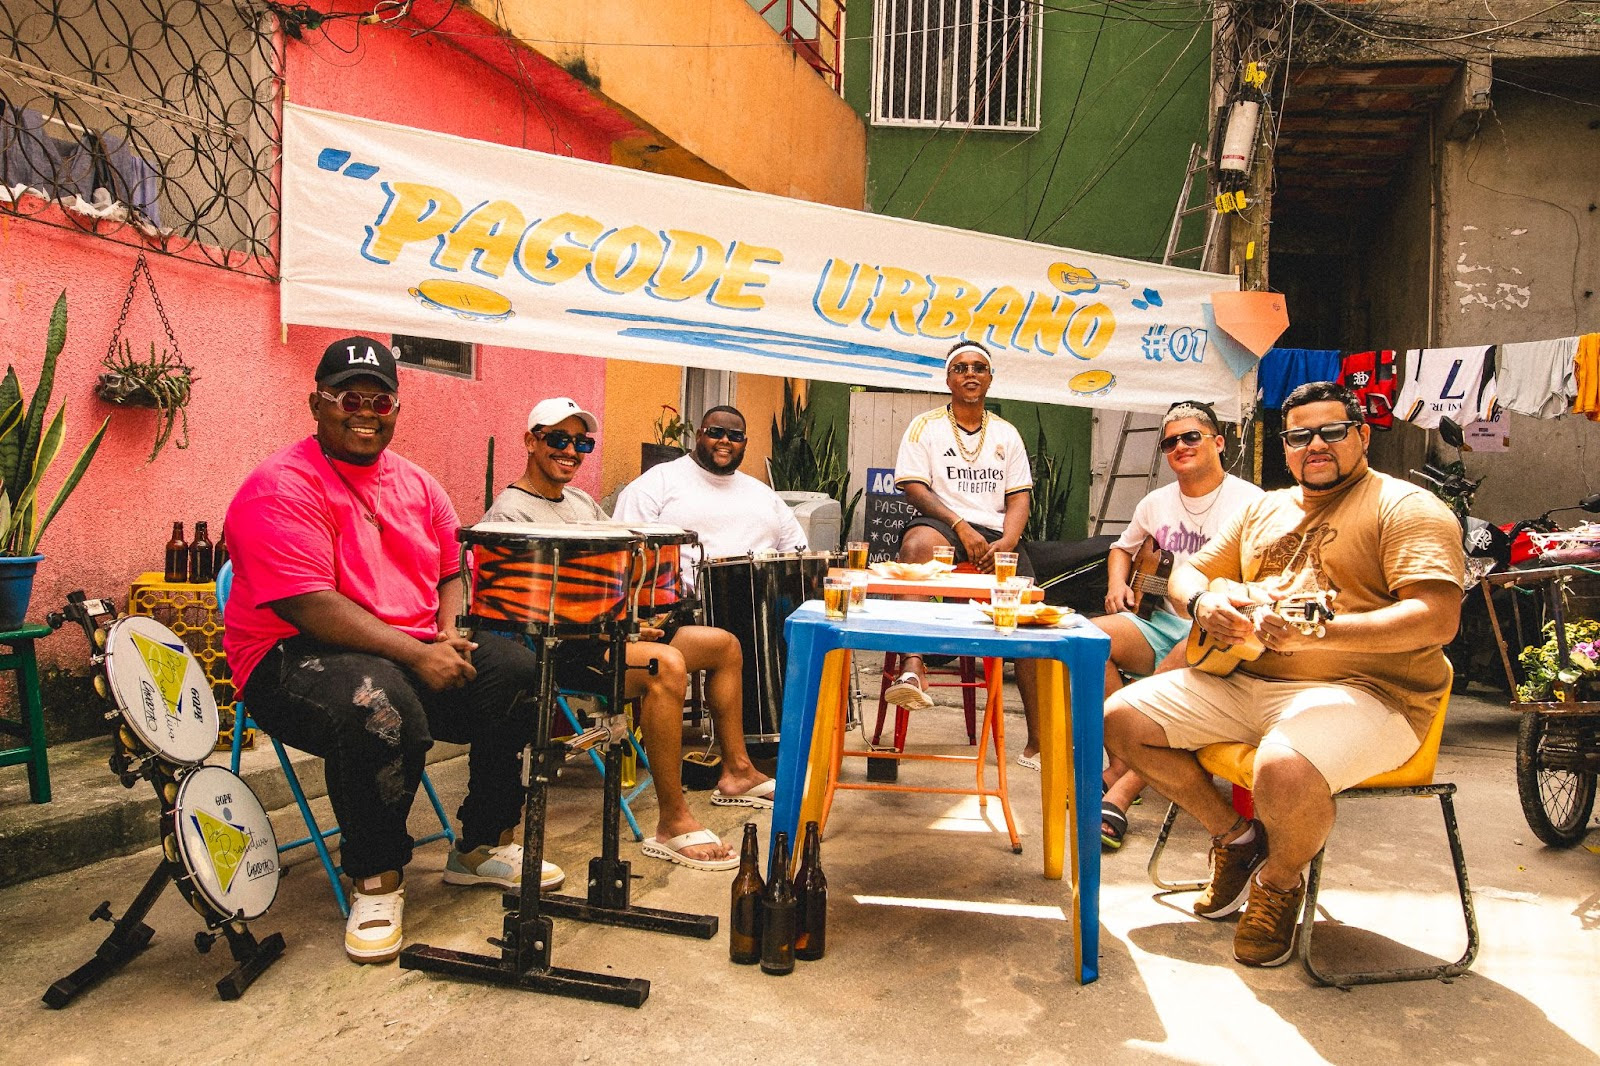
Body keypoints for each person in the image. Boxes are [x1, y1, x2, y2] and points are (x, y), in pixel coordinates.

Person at [223, 336, 560, 966]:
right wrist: (416, 652)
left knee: (515, 668)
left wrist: (452, 635)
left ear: (395, 409)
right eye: (349, 396)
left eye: (381, 400)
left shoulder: (420, 485)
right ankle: (376, 877)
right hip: (290, 658)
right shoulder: (280, 486)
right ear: (316, 402)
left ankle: (480, 845)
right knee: (380, 701)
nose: (366, 410)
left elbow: (448, 575)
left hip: (407, 647)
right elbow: (308, 605)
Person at [1104, 381, 1463, 968]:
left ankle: (1279, 879)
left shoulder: (1406, 507)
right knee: (1120, 720)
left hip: (1370, 694)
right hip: (1245, 678)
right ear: (1287, 445)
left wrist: (1321, 633)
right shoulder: (1263, 508)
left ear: (1362, 435)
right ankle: (1237, 839)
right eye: (1299, 435)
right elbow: (1187, 572)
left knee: (1284, 768)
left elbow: (1436, 618)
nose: (1314, 444)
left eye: (1331, 431)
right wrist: (1202, 606)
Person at [483, 397, 775, 871]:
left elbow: (619, 571)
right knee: (666, 666)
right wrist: (622, 623)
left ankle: (738, 771)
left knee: (723, 644)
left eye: (581, 442)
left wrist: (640, 612)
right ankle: (672, 821)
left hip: (609, 634)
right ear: (531, 441)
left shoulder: (579, 502)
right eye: (558, 440)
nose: (571, 451)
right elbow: (528, 612)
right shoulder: (511, 514)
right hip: (560, 650)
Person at [1094, 401, 1263, 850]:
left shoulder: (1253, 502)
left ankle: (1119, 791)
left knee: (1185, 656)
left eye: (1192, 437)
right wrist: (1117, 584)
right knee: (1092, 641)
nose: (1180, 447)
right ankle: (1126, 758)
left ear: (1219, 442)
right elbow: (1121, 547)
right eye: (1171, 442)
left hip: (1224, 635)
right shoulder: (1156, 501)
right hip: (1163, 621)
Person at [884, 341, 1044, 760]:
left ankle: (1038, 741)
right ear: (948, 377)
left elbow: (1019, 497)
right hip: (945, 523)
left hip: (997, 532)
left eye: (978, 367)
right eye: (960, 367)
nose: (970, 374)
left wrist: (1007, 542)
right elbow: (914, 486)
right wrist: (959, 526)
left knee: (1028, 613)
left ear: (989, 378)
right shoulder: (925, 426)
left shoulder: (1006, 433)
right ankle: (914, 665)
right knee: (917, 544)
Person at [612, 404, 808, 573]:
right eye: (715, 432)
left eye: (735, 436)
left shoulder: (765, 495)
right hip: (683, 611)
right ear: (699, 435)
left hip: (764, 608)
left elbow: (800, 556)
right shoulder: (656, 483)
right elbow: (624, 554)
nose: (725, 440)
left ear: (745, 443)